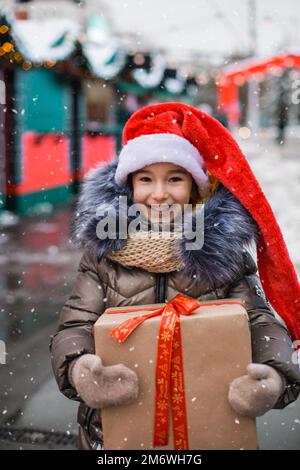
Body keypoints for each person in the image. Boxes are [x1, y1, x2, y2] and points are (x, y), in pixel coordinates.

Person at [50, 102, 300, 450]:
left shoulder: (222, 252)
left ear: (195, 189)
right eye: (146, 179)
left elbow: (259, 321)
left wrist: (272, 375)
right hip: (113, 433)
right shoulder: (103, 255)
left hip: (210, 424)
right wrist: (82, 370)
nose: (159, 193)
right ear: (129, 187)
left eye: (175, 179)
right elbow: (74, 327)